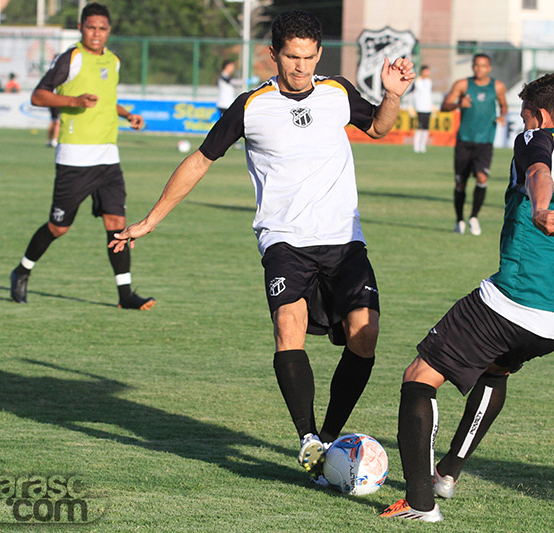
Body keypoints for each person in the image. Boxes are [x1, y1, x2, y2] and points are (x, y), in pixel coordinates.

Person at [109, 10, 415, 480]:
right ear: (274, 54)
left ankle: (328, 438)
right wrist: (151, 219)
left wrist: (392, 96)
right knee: (288, 326)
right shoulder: (250, 106)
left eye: (309, 57)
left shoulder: (337, 92)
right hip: (284, 241)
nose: (301, 67)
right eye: (292, 57)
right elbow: (200, 160)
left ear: (319, 54)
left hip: (343, 240)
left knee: (365, 335)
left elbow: (378, 128)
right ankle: (308, 438)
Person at [380, 71, 554, 522]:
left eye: (524, 115)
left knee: (419, 376)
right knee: (495, 369)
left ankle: (419, 503)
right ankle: (447, 473)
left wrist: (540, 208)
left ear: (542, 116)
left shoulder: (538, 139)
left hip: (515, 299)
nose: (521, 123)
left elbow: (537, 171)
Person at [9, 3, 154, 310]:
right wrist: (74, 100)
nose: (96, 34)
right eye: (91, 27)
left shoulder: (113, 61)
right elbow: (38, 95)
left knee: (117, 223)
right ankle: (22, 270)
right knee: (58, 227)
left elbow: (106, 102)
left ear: (109, 31)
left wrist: (127, 115)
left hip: (108, 157)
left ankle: (125, 295)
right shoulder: (71, 58)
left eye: (102, 28)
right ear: (80, 28)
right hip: (74, 158)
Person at [441, 53, 507, 236]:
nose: (479, 69)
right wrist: (458, 105)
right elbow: (444, 105)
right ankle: (459, 220)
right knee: (460, 183)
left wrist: (502, 115)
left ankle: (474, 217)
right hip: (464, 141)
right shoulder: (462, 85)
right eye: (477, 65)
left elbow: (503, 104)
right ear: (472, 66)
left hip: (485, 142)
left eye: (483, 66)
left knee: (482, 178)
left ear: (489, 68)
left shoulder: (497, 86)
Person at [412, 65, 433, 153]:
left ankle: (423, 145)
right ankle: (416, 146)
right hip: (420, 107)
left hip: (427, 108)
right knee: (419, 127)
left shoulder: (429, 82)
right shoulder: (417, 81)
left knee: (426, 127)